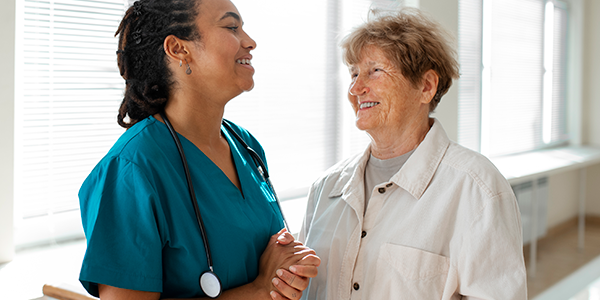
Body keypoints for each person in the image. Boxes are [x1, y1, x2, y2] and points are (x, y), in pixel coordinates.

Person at [78, 0, 319, 299]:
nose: (250, 41)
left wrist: (288, 271)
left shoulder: (246, 145)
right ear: (178, 49)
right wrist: (259, 290)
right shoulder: (132, 169)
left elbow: (267, 260)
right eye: (232, 27)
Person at [299, 7, 527, 300]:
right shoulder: (324, 189)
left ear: (426, 87)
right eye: (353, 73)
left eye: (375, 71)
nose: (356, 88)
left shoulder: (477, 189)